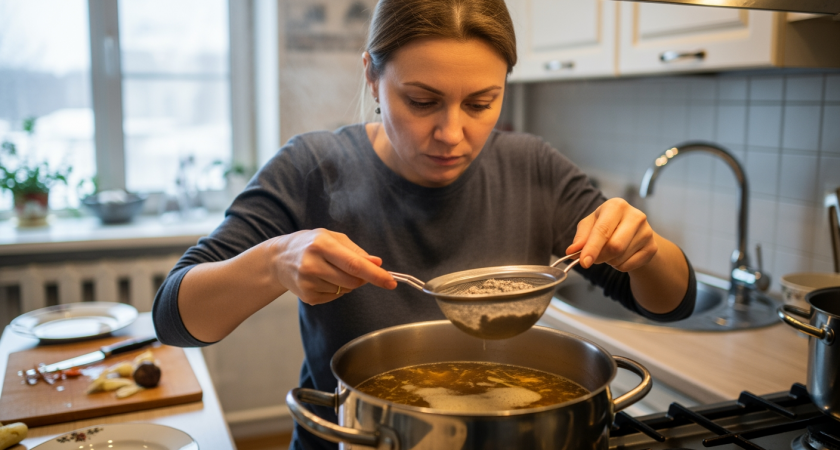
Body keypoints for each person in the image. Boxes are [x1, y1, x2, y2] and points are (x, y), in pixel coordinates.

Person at [152, 0, 696, 448]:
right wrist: (275, 261)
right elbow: (175, 318)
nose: (452, 133)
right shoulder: (310, 168)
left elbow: (672, 301)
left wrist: (645, 251)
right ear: (371, 75)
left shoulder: (533, 168)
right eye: (421, 101)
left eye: (482, 103)